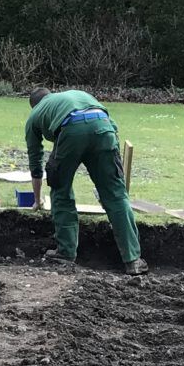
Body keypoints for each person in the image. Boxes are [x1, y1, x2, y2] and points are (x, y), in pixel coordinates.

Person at [25, 87, 147, 274]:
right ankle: (133, 260)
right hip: (103, 127)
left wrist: (37, 199)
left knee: (61, 190)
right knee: (116, 195)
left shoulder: (35, 114)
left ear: (34, 105)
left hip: (70, 129)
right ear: (50, 95)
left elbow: (35, 159)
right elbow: (112, 127)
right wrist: (112, 177)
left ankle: (65, 254)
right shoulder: (77, 94)